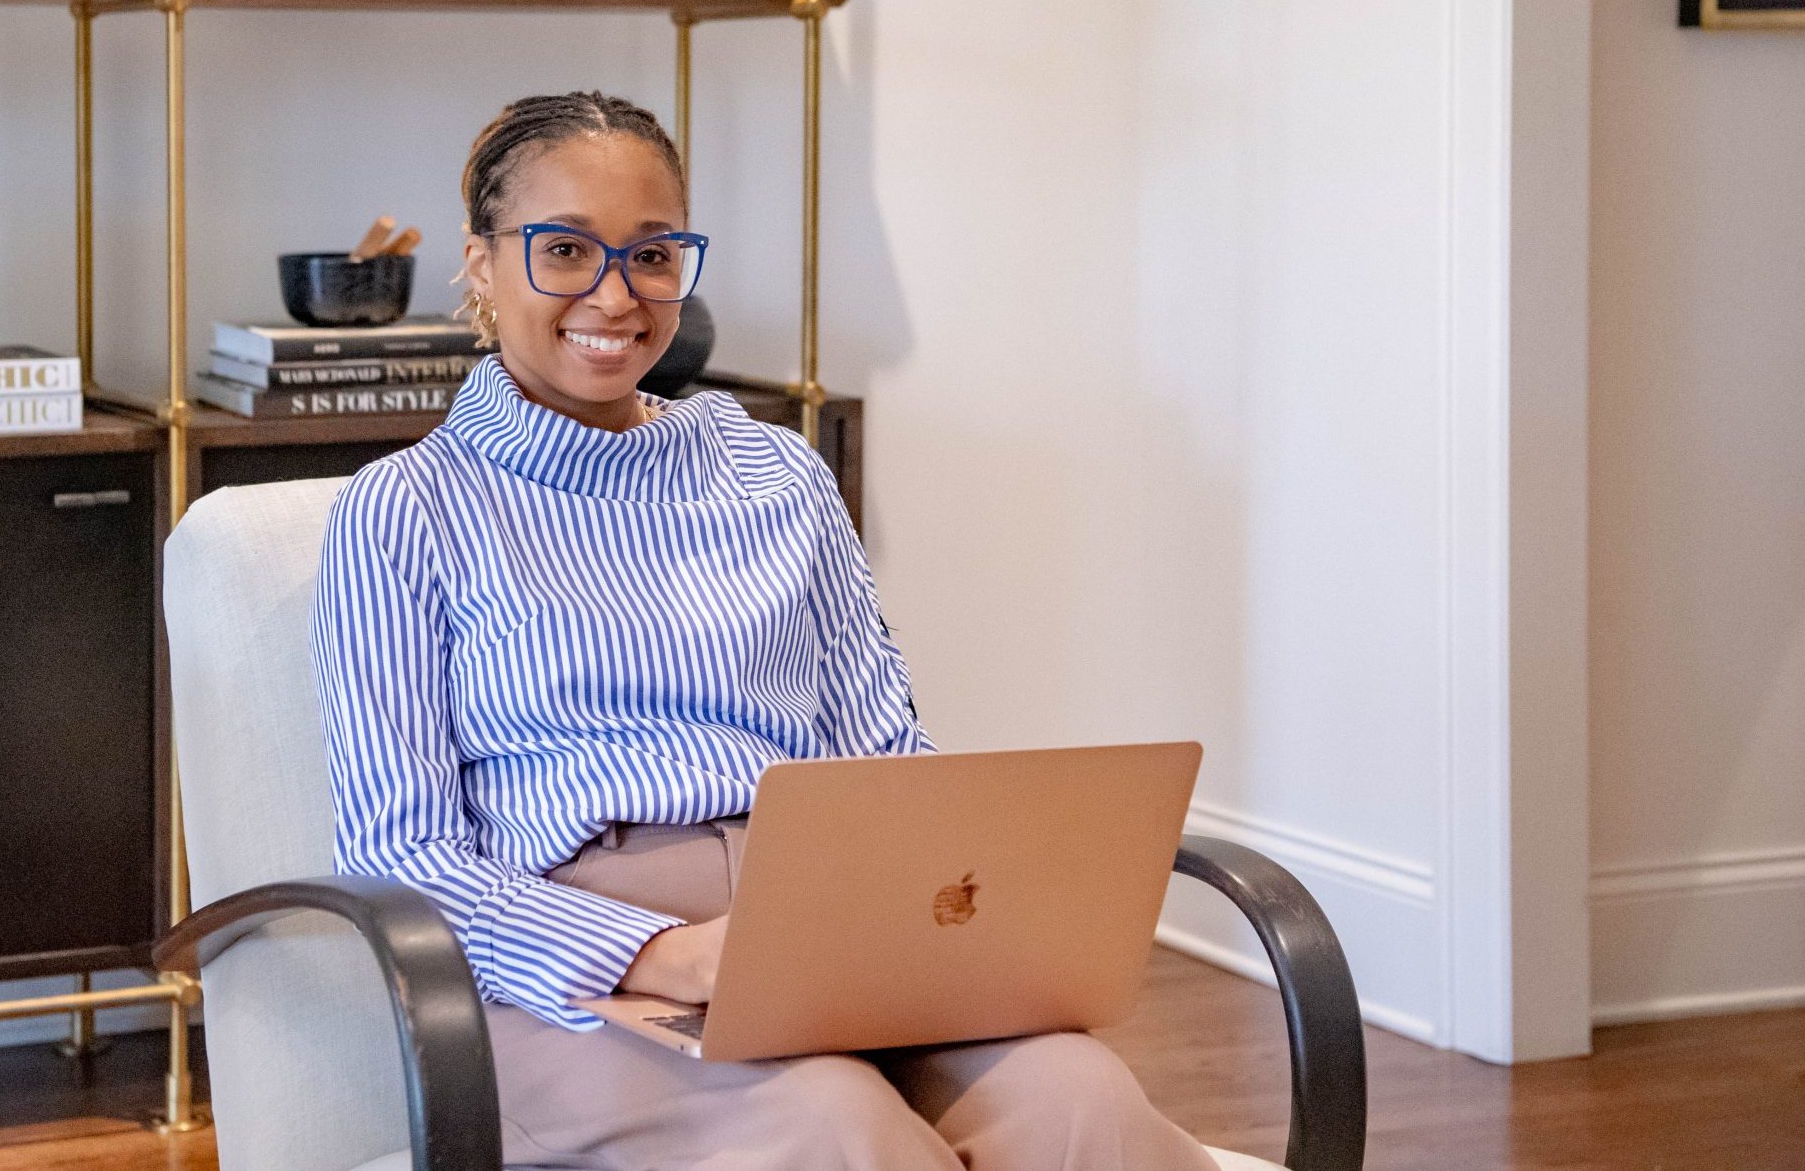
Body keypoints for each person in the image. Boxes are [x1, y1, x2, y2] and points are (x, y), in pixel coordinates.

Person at [313, 91, 1219, 1170]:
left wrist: (952, 923)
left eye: (652, 254)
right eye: (564, 250)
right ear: (481, 264)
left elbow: (885, 752)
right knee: (836, 1125)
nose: (614, 293)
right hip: (572, 969)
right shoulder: (403, 511)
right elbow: (404, 856)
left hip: (831, 920)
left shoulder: (776, 470)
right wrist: (667, 952)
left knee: (1084, 1103)